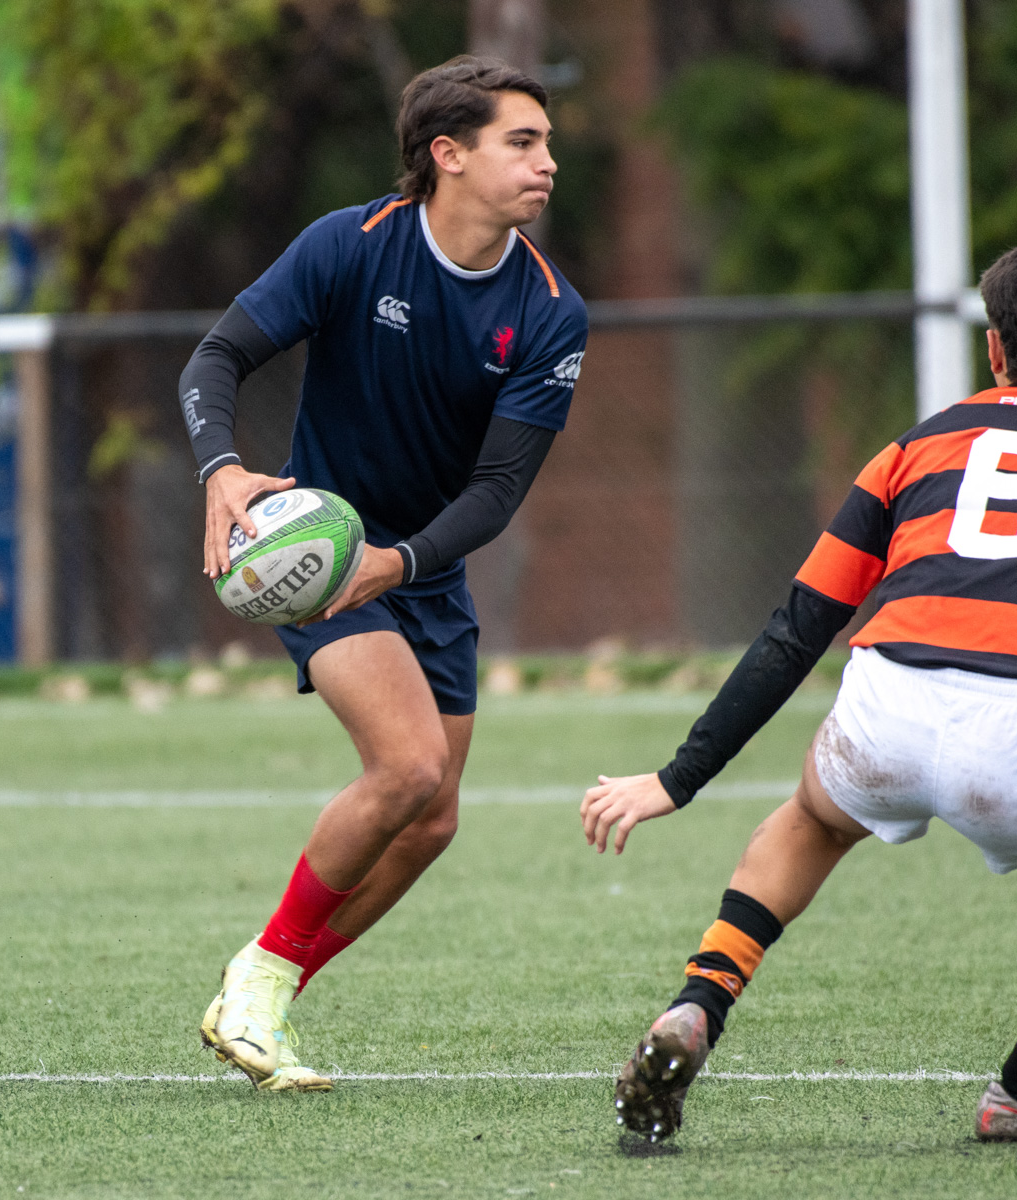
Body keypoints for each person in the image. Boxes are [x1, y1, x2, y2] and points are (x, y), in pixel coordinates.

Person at [581, 239, 1017, 1142]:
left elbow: (799, 624)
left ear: (994, 349)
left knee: (815, 816)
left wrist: (676, 779)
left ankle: (701, 1001)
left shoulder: (919, 445)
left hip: (885, 701)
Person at [179, 56, 587, 1091]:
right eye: (522, 141)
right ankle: (265, 984)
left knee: (434, 818)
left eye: (546, 142)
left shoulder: (548, 313)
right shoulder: (349, 246)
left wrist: (400, 563)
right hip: (313, 554)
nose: (548, 161)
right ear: (449, 155)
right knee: (406, 768)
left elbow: (496, 492)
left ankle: (256, 988)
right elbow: (215, 360)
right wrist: (224, 471)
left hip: (419, 563)